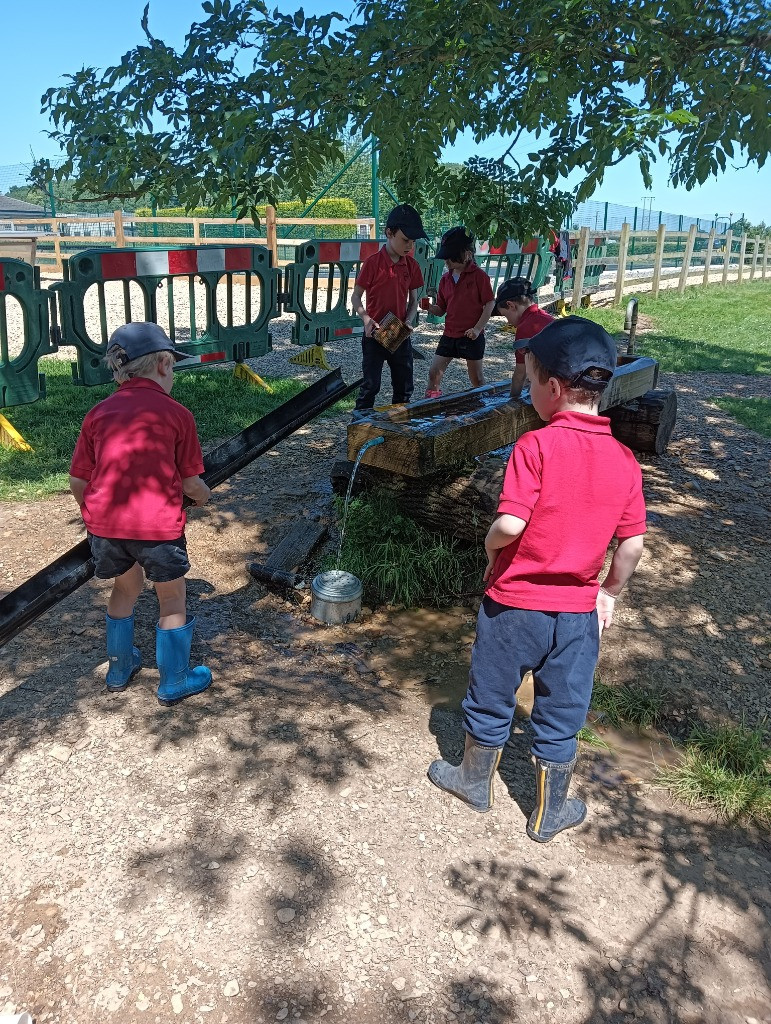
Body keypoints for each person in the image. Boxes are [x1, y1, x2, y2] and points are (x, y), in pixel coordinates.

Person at [427, 317, 646, 842]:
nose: (526, 391)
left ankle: (473, 781)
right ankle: (551, 812)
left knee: (491, 692)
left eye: (527, 379)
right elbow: (632, 545)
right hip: (575, 617)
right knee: (563, 708)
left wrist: (488, 545)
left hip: (513, 608)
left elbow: (510, 524)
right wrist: (607, 593)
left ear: (551, 387)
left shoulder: (535, 447)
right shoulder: (624, 459)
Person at [69, 322, 213, 706]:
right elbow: (191, 483)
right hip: (157, 529)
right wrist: (205, 497)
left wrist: (95, 515)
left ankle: (118, 668)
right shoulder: (177, 415)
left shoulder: (97, 414)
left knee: (125, 589)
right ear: (164, 364)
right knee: (172, 599)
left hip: (107, 529)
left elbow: (78, 481)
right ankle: (174, 680)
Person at [350, 203, 427, 418]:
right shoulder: (373, 263)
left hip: (399, 332)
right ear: (389, 233)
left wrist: (409, 320)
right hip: (374, 332)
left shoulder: (411, 266)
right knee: (371, 385)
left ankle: (399, 427)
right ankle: (360, 426)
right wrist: (365, 318)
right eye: (405, 240)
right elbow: (355, 296)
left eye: (412, 242)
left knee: (404, 385)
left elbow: (414, 300)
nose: (409, 246)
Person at [422, 226, 495, 398]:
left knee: (476, 378)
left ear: (467, 254)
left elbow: (490, 303)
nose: (447, 262)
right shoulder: (445, 279)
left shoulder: (479, 277)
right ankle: (432, 405)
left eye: (451, 258)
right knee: (434, 373)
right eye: (445, 258)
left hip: (471, 336)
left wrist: (477, 329)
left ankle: (483, 405)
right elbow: (441, 310)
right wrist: (429, 308)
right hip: (450, 334)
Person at [492, 277, 555, 399]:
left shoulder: (525, 328)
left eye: (505, 315)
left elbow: (520, 373)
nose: (508, 322)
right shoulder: (546, 317)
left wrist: (512, 400)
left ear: (511, 305)